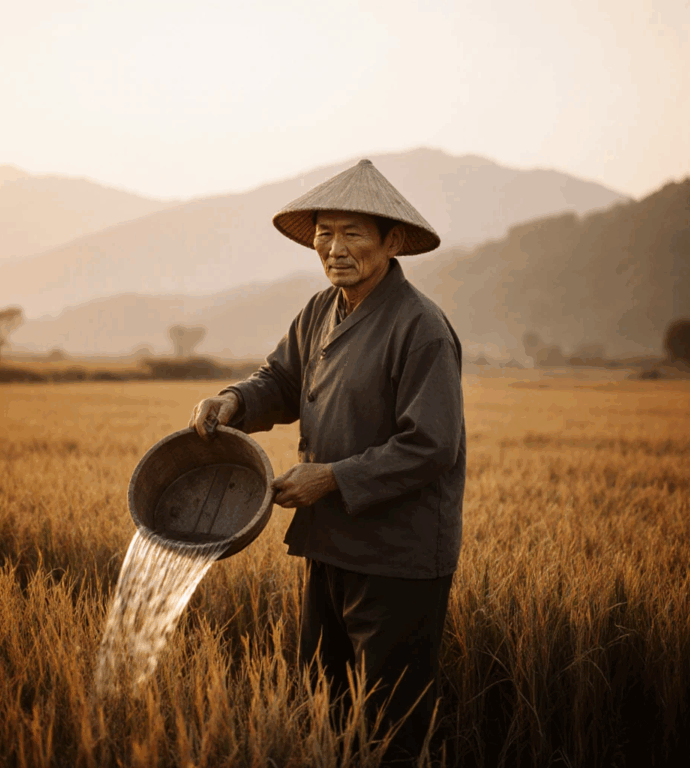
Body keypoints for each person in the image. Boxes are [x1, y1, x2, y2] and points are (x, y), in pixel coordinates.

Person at [189, 158, 466, 766]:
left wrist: (332, 478)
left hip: (398, 557)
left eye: (352, 233)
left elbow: (431, 444)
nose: (334, 248)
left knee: (390, 725)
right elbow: (282, 379)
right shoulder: (320, 310)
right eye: (324, 233)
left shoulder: (420, 328)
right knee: (326, 710)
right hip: (329, 544)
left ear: (392, 241)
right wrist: (234, 400)